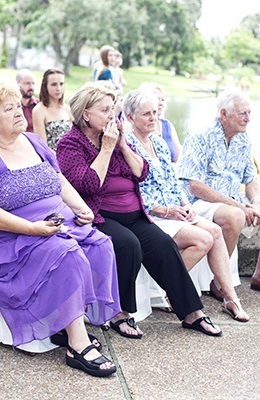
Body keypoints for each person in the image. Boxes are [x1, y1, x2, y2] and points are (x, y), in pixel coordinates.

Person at [0, 79, 120, 377]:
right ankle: (77, 345)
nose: (20, 112)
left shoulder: (33, 141)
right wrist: (33, 229)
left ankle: (63, 320)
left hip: (55, 222)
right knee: (66, 253)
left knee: (100, 244)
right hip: (11, 236)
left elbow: (59, 179)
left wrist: (79, 207)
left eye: (19, 106)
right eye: (9, 109)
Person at [57, 82, 222, 338]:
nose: (112, 115)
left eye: (112, 109)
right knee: (128, 245)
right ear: (86, 114)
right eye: (105, 110)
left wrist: (121, 144)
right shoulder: (70, 144)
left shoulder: (114, 137)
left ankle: (192, 312)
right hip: (99, 215)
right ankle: (120, 314)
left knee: (164, 245)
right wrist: (108, 148)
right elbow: (88, 184)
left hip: (135, 214)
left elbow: (142, 171)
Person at [124, 89, 249, 321]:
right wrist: (162, 209)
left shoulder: (158, 143)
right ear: (130, 118)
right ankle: (171, 289)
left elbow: (173, 181)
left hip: (174, 208)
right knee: (203, 239)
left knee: (215, 232)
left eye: (155, 112)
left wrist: (183, 203)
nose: (153, 118)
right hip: (152, 214)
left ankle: (230, 298)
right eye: (146, 114)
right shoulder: (126, 145)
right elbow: (130, 189)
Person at [177, 89, 260, 298]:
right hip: (197, 202)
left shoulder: (243, 139)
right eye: (242, 113)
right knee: (235, 215)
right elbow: (195, 186)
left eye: (249, 113)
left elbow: (251, 177)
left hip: (232, 201)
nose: (248, 119)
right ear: (223, 114)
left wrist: (255, 202)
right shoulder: (200, 136)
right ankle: (220, 282)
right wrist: (238, 206)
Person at [139, 82, 181, 162]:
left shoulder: (167, 125)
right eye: (157, 99)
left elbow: (178, 157)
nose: (161, 103)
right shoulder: (138, 127)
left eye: (163, 99)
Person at [31, 68, 72, 151]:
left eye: (61, 84)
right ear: (45, 86)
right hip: (53, 159)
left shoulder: (67, 108)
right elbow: (43, 146)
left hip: (72, 155)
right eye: (54, 84)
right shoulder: (39, 111)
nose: (58, 88)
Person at [15, 69, 39, 133]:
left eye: (33, 83)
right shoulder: (12, 106)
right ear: (18, 83)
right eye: (27, 83)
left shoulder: (39, 105)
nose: (31, 87)